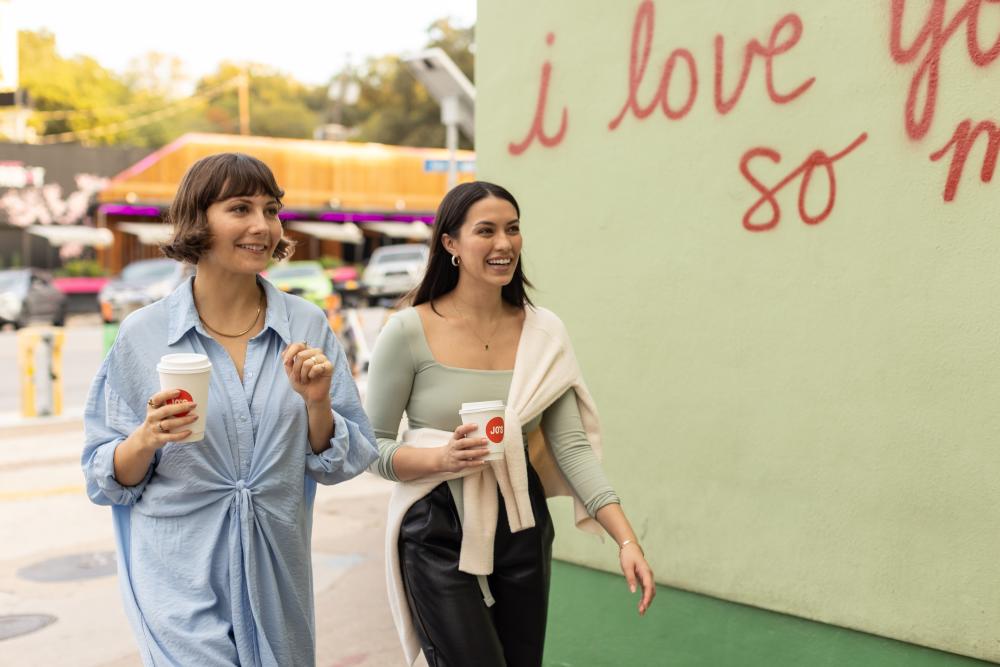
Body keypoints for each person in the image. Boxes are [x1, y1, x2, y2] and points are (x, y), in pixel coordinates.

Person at [82, 153, 378, 666]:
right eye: (240, 208)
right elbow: (104, 477)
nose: (261, 226)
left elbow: (344, 461)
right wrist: (147, 437)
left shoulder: (306, 325)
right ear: (199, 220)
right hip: (180, 579)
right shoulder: (144, 334)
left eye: (271, 208)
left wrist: (318, 402)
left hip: (276, 579)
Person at [366, 181, 656, 667]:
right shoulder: (407, 331)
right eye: (486, 231)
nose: (504, 244)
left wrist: (627, 541)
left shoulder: (544, 333)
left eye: (513, 229)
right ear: (451, 244)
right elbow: (369, 448)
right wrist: (441, 458)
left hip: (522, 523)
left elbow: (573, 449)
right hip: (435, 526)